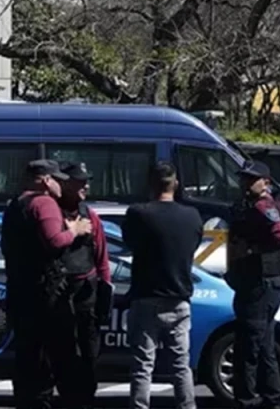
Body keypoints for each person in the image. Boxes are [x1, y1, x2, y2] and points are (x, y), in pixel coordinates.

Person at [1, 159, 91, 409]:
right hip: (45, 294)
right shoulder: (44, 203)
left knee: (27, 356)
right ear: (45, 181)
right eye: (58, 179)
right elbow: (54, 241)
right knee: (59, 355)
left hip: (19, 291)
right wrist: (75, 230)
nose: (62, 185)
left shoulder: (14, 205)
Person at [122, 161, 203, 409]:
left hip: (146, 296)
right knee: (181, 363)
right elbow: (194, 245)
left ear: (150, 184)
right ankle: (187, 405)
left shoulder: (139, 213)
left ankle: (140, 406)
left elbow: (129, 243)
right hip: (179, 297)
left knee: (143, 364)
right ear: (176, 184)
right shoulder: (192, 215)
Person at [225, 161, 280, 409]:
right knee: (264, 345)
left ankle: (247, 400)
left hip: (260, 285)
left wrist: (253, 249)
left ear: (265, 181)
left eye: (251, 179)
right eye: (244, 178)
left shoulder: (264, 207)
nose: (245, 182)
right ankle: (271, 399)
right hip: (252, 284)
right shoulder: (248, 206)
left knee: (248, 346)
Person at [55, 162, 111, 409]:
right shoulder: (52, 214)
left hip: (86, 294)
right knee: (63, 353)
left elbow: (102, 259)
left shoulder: (90, 216)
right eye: (79, 181)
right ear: (65, 183)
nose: (85, 185)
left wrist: (105, 289)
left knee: (90, 353)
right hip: (58, 294)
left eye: (86, 180)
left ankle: (86, 400)